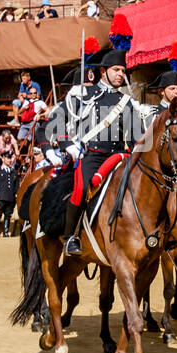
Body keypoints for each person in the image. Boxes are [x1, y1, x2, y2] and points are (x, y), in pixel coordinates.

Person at [52, 45, 151, 256]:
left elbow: (137, 139)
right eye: (116, 70)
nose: (120, 75)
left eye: (123, 71)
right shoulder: (83, 94)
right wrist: (67, 144)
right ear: (103, 71)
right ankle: (71, 236)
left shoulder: (126, 103)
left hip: (118, 157)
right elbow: (58, 119)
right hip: (90, 156)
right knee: (82, 188)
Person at [0, 149, 19, 236]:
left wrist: (16, 194)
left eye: (10, 158)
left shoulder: (14, 172)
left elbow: (16, 185)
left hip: (10, 197)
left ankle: (6, 232)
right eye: (7, 158)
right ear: (3, 159)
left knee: (8, 215)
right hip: (0, 196)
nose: (10, 160)